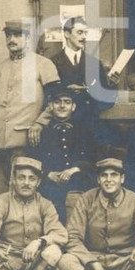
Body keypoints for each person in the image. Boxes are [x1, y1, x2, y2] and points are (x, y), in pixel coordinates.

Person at [0, 20, 59, 209]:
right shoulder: (0, 67)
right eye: (8, 35)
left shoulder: (43, 64)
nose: (12, 40)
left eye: (17, 35)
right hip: (1, 143)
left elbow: (56, 100)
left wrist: (40, 124)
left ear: (28, 38)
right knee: (6, 191)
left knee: (28, 191)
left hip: (26, 141)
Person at [45, 16, 121, 144]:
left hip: (89, 130)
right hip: (62, 131)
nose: (84, 37)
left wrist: (112, 85)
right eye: (79, 32)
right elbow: (47, 97)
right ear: (67, 34)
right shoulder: (52, 63)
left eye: (85, 33)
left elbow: (105, 104)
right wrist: (67, 90)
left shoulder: (95, 64)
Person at [36, 81, 99, 223]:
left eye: (67, 102)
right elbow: (35, 159)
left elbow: (93, 157)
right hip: (51, 180)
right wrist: (47, 173)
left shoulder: (83, 130)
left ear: (73, 106)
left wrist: (74, 169)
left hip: (78, 179)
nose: (62, 106)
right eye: (57, 102)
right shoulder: (43, 131)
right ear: (51, 106)